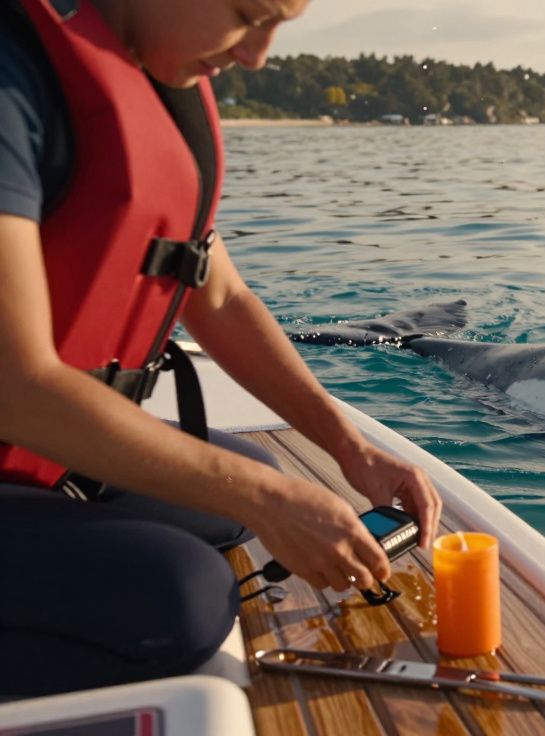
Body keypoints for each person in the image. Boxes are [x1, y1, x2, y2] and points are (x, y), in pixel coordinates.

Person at [0, 0, 442, 696]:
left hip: (47, 459)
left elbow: (222, 298)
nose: (256, 55)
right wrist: (272, 500)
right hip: (24, 427)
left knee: (234, 496)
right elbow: (17, 388)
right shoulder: (10, 82)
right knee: (187, 599)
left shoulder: (153, 73)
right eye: (247, 15)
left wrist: (347, 446)